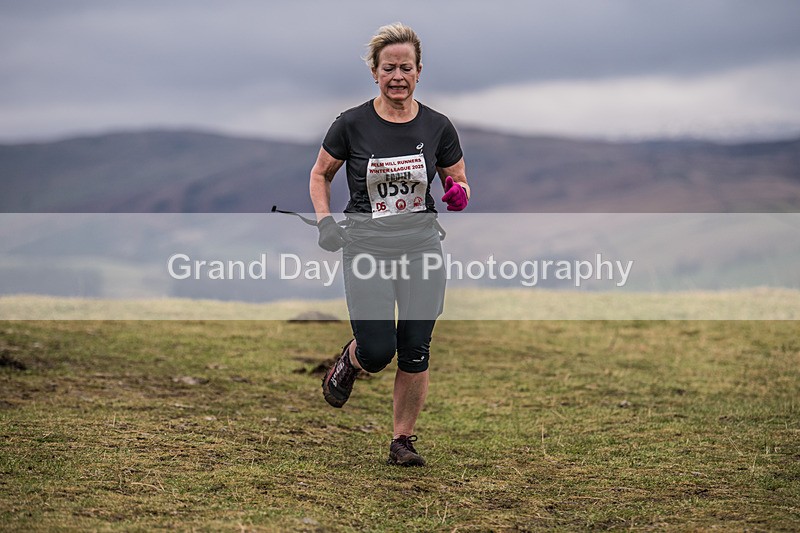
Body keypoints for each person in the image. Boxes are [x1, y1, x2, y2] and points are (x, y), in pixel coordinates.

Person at [309, 22, 470, 467]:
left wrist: (458, 193)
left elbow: (458, 180)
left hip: (420, 246)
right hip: (366, 247)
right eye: (388, 68)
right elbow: (320, 173)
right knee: (378, 350)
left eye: (406, 67)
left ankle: (403, 440)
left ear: (419, 71)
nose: (397, 75)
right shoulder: (351, 124)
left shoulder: (438, 126)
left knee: (416, 346)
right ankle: (351, 359)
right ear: (375, 72)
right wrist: (325, 221)